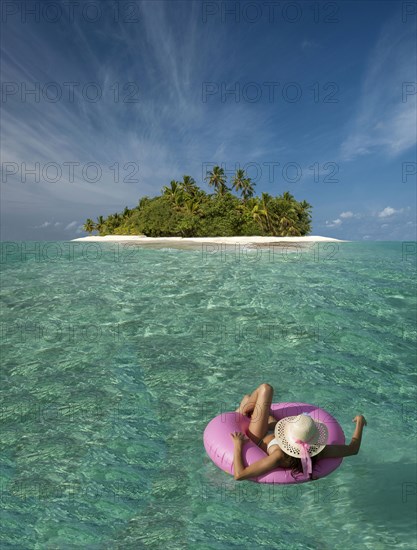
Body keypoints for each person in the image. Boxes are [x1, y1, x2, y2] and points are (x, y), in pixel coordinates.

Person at [230, 383, 367, 481]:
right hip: (273, 428)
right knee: (256, 404)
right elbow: (352, 449)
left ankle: (241, 410)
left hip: (258, 436)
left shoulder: (278, 457)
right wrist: (359, 424)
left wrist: (238, 445)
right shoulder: (320, 452)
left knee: (264, 389)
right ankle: (252, 411)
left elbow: (240, 475)